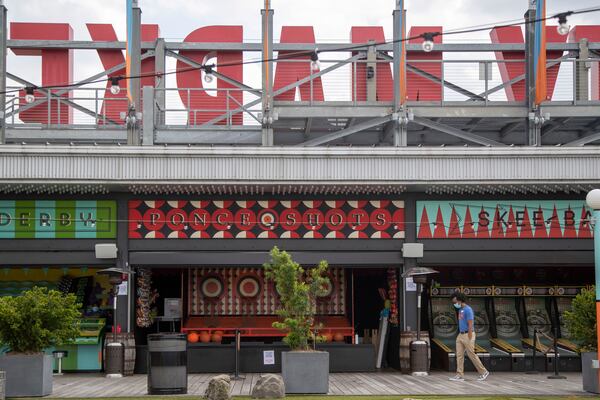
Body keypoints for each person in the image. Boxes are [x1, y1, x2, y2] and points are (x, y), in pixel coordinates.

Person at [448, 292, 489, 382]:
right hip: (460, 335)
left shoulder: (468, 309)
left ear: (459, 300)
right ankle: (459, 375)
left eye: (455, 302)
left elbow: (470, 323)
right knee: (459, 355)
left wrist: (470, 336)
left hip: (468, 334)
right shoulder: (460, 310)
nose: (454, 304)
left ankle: (484, 372)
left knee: (471, 354)